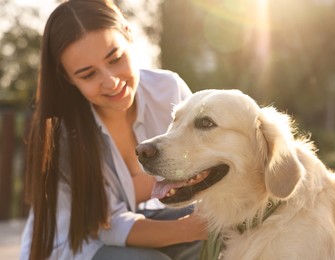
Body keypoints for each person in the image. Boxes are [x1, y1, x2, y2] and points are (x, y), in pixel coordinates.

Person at [20, 0, 208, 259]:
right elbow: (107, 226)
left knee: (218, 229)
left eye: (116, 59)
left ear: (129, 35)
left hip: (138, 217)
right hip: (77, 243)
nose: (111, 82)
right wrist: (190, 230)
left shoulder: (168, 90)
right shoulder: (62, 134)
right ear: (68, 78)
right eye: (88, 75)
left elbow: (201, 161)